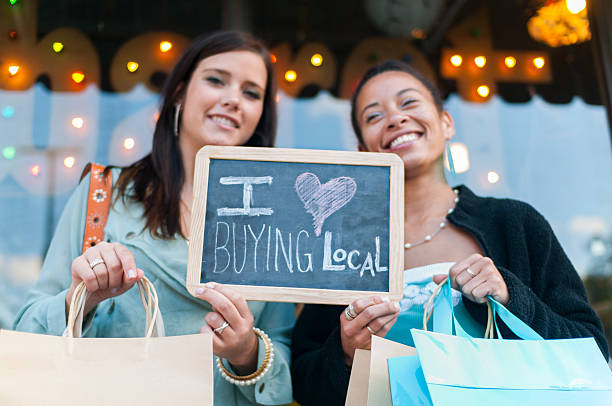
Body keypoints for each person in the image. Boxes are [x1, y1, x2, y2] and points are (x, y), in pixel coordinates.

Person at [290, 60, 609, 406]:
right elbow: (305, 385)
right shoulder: (339, 248)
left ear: (446, 123)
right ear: (365, 151)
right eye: (373, 116)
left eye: (409, 102)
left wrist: (511, 297)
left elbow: (590, 350)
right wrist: (346, 353)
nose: (395, 118)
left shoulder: (514, 223)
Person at [14, 31, 294, 406]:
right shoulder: (105, 192)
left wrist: (247, 355)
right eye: (216, 80)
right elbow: (28, 332)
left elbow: (285, 355)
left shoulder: (273, 220)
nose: (232, 99)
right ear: (179, 92)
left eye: (251, 92)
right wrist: (83, 299)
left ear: (261, 115)